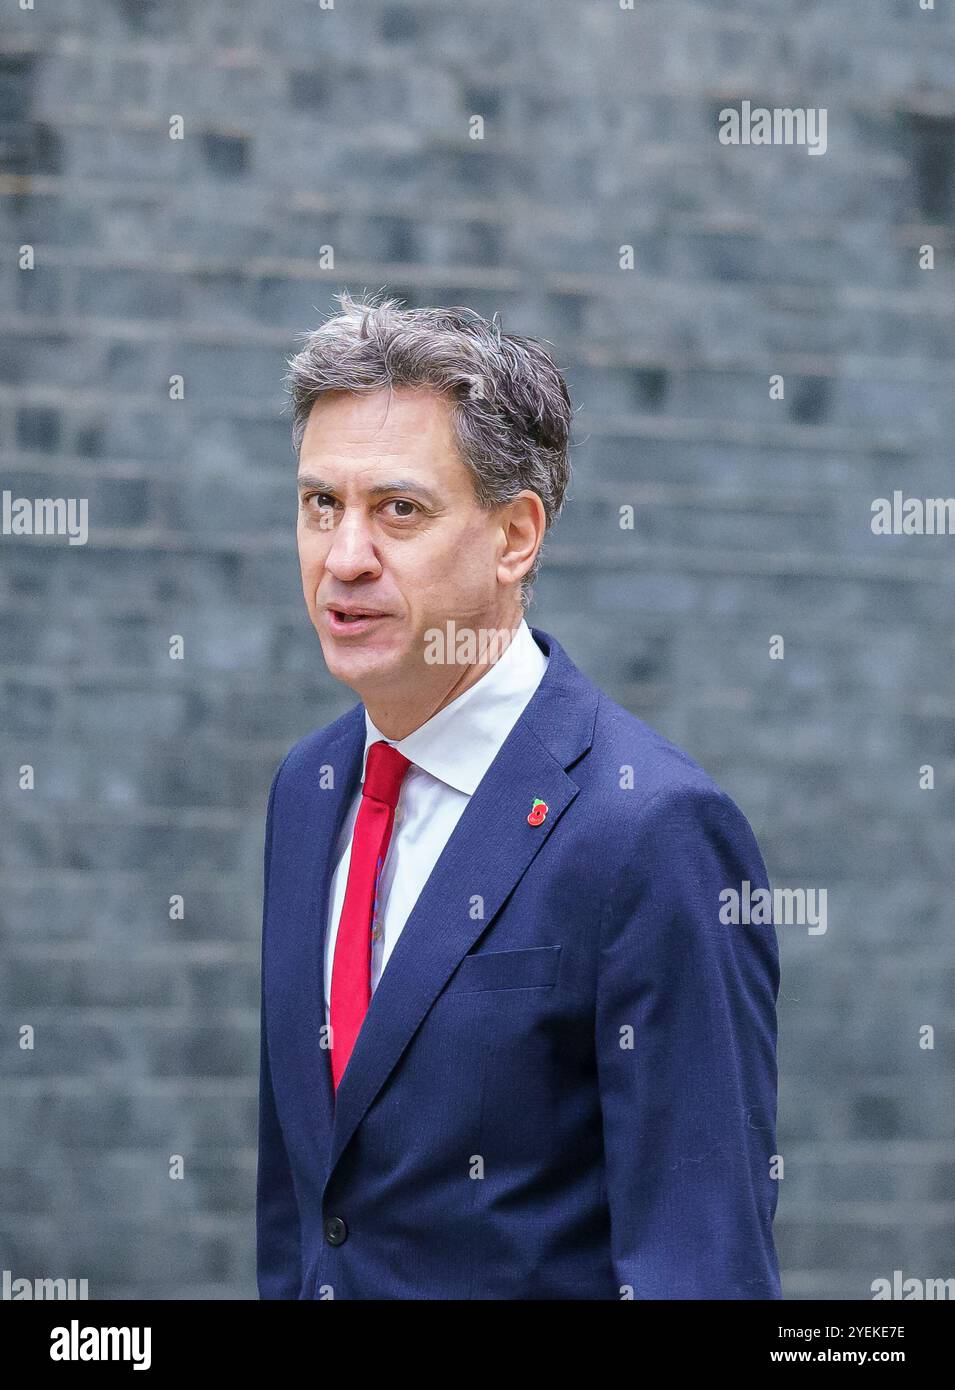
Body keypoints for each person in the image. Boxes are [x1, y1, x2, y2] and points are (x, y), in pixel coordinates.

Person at [256, 291, 782, 1300]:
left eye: (397, 509)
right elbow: (306, 1211)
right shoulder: (308, 790)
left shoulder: (651, 830)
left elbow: (700, 1267)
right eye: (321, 503)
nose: (344, 556)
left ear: (515, 537)